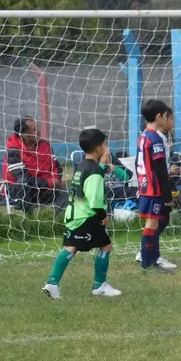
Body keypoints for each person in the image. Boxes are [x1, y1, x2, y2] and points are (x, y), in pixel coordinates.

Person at [42, 128, 125, 300]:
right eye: (105, 144)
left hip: (74, 215)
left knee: (71, 248)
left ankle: (52, 282)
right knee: (105, 246)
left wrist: (103, 164)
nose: (107, 148)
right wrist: (103, 216)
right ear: (98, 148)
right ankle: (99, 285)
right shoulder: (94, 171)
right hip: (88, 217)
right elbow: (94, 199)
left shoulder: (81, 166)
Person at [136, 99, 175, 274]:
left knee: (154, 223)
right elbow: (160, 169)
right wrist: (168, 195)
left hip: (145, 187)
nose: (166, 119)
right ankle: (147, 263)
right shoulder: (155, 139)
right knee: (152, 225)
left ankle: (153, 259)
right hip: (154, 189)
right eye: (165, 116)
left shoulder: (143, 136)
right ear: (159, 116)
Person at [3, 117, 67, 213]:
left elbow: (56, 167)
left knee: (67, 190)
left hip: (43, 189)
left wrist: (55, 181)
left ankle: (59, 221)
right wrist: (48, 183)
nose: (39, 131)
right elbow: (22, 177)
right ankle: (28, 220)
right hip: (19, 192)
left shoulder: (45, 145)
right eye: (34, 130)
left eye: (38, 127)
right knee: (23, 183)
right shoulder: (13, 150)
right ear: (24, 135)